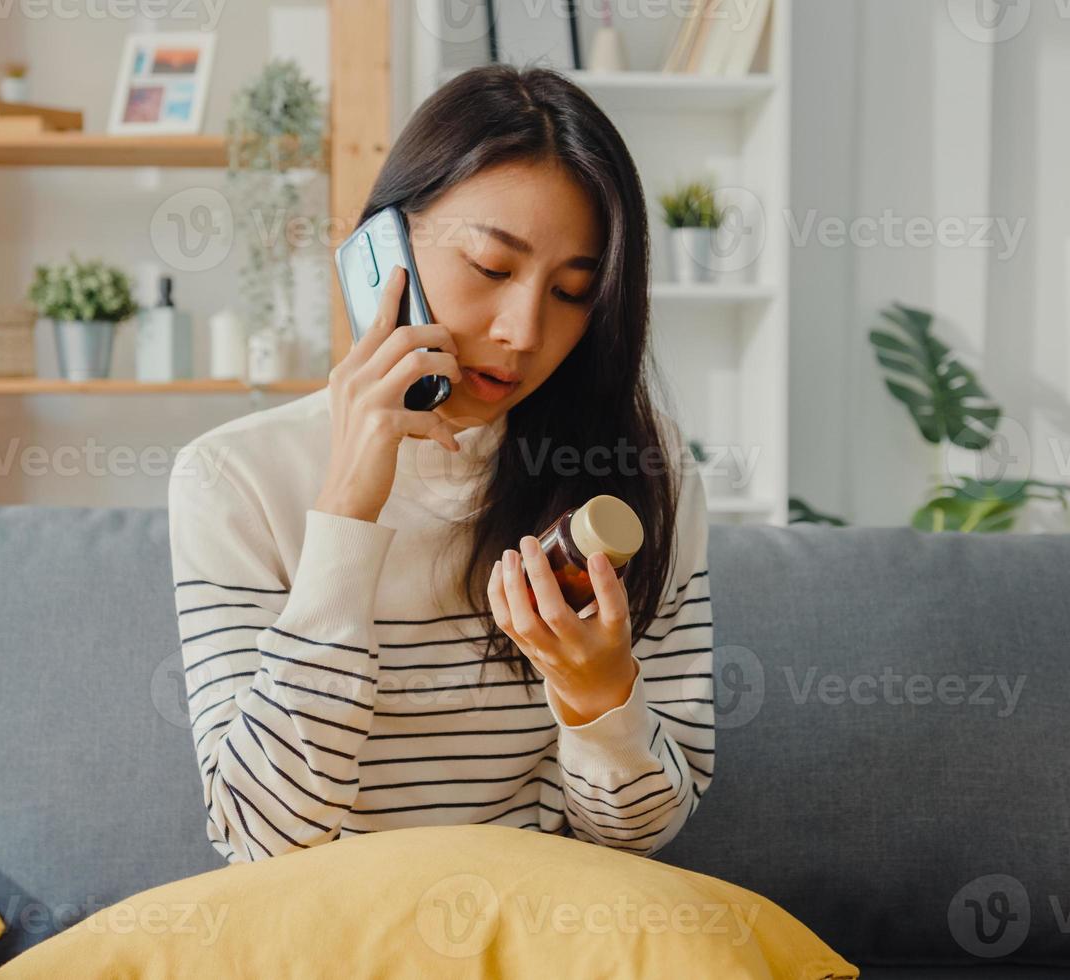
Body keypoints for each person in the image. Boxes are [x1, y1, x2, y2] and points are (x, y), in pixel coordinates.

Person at [167, 64, 712, 864]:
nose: (524, 330)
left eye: (571, 292)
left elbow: (642, 834)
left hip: (540, 926)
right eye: (491, 268)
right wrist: (348, 509)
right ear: (381, 248)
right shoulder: (232, 480)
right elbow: (265, 838)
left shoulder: (638, 467)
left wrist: (599, 696)